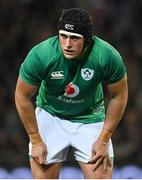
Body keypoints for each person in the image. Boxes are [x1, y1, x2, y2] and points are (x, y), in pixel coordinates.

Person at [15, 8, 128, 179]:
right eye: (63, 36)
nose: (67, 44)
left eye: (75, 38)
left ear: (88, 40)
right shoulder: (42, 55)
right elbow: (21, 95)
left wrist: (104, 139)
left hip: (89, 117)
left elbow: (119, 95)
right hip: (50, 115)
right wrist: (35, 139)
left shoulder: (107, 56)